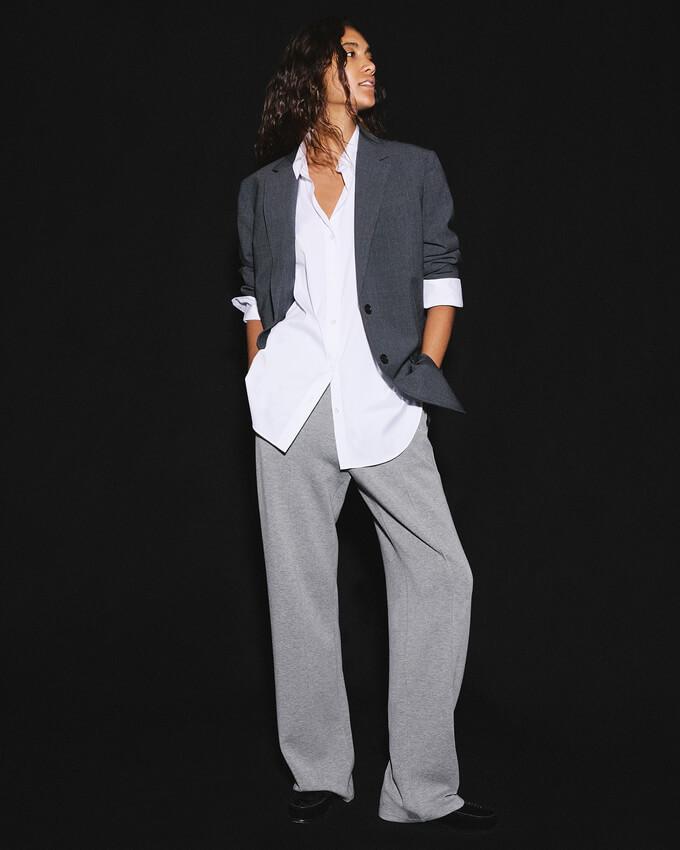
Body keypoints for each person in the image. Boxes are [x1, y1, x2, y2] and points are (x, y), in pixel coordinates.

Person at [232, 15, 497, 829]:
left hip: (384, 402)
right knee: (298, 590)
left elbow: (441, 280)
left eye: (370, 53)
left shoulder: (411, 169)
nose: (370, 63)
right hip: (294, 411)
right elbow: (252, 293)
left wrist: (420, 377)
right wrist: (260, 370)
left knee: (442, 576)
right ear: (317, 71)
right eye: (353, 54)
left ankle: (420, 789)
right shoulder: (262, 189)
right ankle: (319, 773)